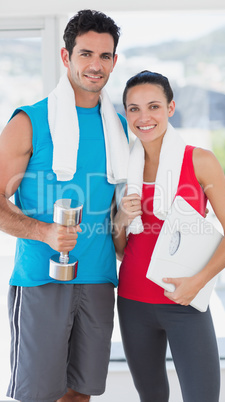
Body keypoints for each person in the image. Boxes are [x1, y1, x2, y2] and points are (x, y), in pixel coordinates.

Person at [0, 9, 129, 402]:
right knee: (38, 395)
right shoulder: (30, 120)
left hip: (98, 278)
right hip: (42, 278)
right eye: (86, 54)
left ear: (114, 62)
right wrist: (42, 231)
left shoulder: (119, 126)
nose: (95, 65)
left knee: (81, 393)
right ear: (65, 56)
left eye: (104, 56)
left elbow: (117, 206)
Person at [113, 70, 225, 402]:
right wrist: (121, 220)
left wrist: (198, 281)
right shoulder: (121, 168)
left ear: (171, 108)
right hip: (133, 302)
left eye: (154, 106)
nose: (144, 117)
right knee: (152, 397)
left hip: (185, 299)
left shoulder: (200, 161)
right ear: (125, 112)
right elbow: (121, 249)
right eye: (134, 109)